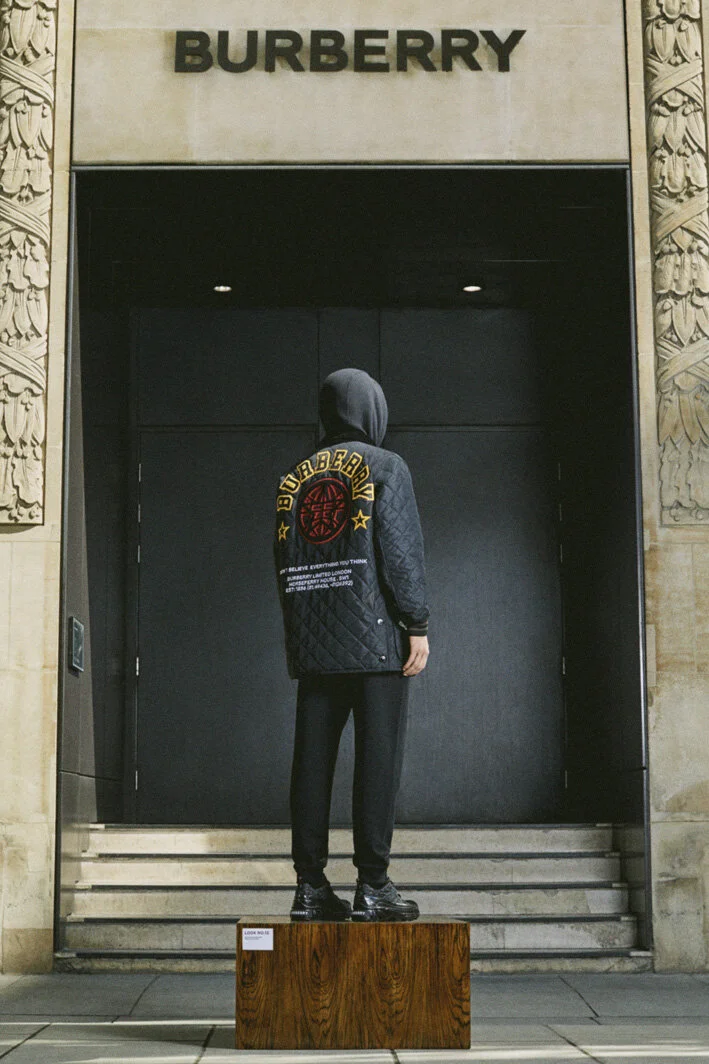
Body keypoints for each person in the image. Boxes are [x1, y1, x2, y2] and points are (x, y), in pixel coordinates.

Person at [273, 367, 430, 921]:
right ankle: (374, 886)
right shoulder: (385, 466)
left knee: (311, 763)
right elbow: (400, 552)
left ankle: (310, 887)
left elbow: (285, 561)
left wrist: (300, 634)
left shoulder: (295, 477)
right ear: (372, 410)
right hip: (376, 640)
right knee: (377, 758)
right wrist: (416, 623)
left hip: (315, 645)